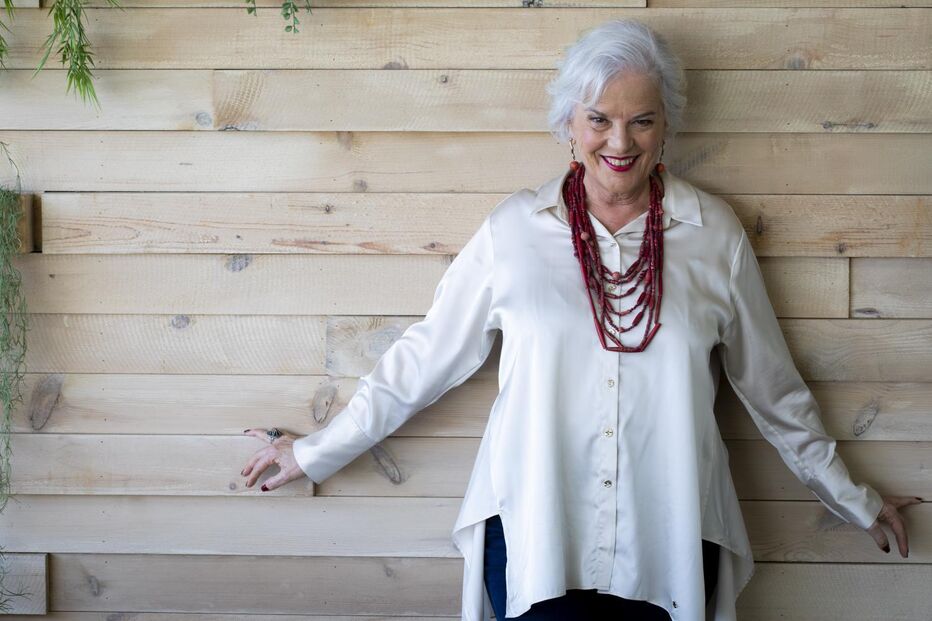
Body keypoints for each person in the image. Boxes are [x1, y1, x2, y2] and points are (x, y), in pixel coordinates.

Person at [239, 19, 921, 621]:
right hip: (537, 538)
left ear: (667, 125)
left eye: (642, 120)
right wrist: (314, 451)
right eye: (599, 118)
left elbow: (773, 390)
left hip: (670, 544)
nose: (619, 140)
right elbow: (423, 358)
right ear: (569, 122)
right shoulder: (514, 231)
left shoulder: (714, 234)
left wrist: (854, 498)